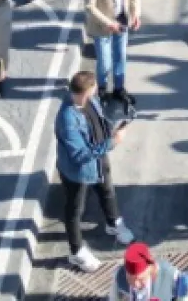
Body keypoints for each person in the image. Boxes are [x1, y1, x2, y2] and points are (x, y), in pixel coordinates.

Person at [54, 69, 136, 272]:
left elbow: (101, 120)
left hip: (98, 159)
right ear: (83, 93)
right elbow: (79, 155)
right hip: (78, 172)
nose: (95, 96)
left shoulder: (90, 101)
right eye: (92, 93)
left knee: (107, 191)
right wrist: (112, 142)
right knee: (74, 211)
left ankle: (113, 222)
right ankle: (77, 252)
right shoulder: (67, 119)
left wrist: (116, 126)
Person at [86, 0, 142, 109]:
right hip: (102, 26)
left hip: (122, 20)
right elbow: (90, 7)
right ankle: (101, 90)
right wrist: (109, 23)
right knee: (104, 61)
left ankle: (118, 88)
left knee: (120, 57)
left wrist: (135, 13)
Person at [112, 240, 182, 300]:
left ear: (151, 270)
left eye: (141, 279)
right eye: (130, 279)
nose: (136, 284)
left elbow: (187, 295)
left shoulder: (170, 275)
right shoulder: (119, 277)